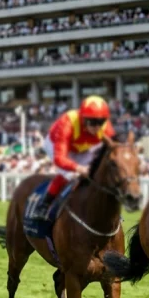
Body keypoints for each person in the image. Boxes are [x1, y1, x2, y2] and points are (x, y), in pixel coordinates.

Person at [28, 95, 116, 223]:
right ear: (83, 118)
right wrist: (79, 168)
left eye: (101, 122)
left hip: (83, 146)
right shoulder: (67, 123)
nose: (97, 127)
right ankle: (44, 205)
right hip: (56, 144)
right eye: (92, 122)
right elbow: (60, 158)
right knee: (69, 175)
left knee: (96, 173)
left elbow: (115, 147)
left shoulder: (106, 126)